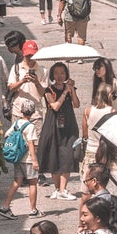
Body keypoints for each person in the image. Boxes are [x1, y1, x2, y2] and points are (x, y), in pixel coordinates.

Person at [38, 61, 81, 202]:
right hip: (53, 126)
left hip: (69, 125)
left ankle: (63, 189)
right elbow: (55, 106)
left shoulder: (69, 87)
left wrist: (72, 90)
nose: (60, 76)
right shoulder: (48, 90)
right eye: (56, 73)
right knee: (54, 156)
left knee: (68, 155)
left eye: (62, 72)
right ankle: (57, 189)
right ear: (52, 75)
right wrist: (64, 93)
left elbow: (76, 104)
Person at [0, 97, 41, 220]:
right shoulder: (30, 126)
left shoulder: (17, 123)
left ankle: (5, 207)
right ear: (33, 112)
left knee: (16, 182)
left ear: (21, 111)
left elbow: (7, 134)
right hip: (27, 159)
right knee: (33, 183)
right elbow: (31, 145)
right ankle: (33, 210)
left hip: (18, 158)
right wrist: (35, 161)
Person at [82, 83, 117, 174]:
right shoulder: (112, 112)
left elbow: (85, 134)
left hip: (90, 150)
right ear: (109, 96)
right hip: (105, 153)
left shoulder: (88, 111)